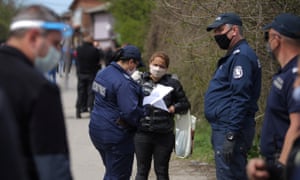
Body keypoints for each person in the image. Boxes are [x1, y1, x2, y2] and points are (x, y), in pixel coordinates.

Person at [0, 5, 73, 180]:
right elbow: (52, 167)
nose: (57, 52)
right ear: (33, 37)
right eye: (55, 44)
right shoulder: (40, 88)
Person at [204, 12, 262, 179]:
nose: (217, 35)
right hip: (225, 126)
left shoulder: (241, 56)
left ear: (234, 30)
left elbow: (241, 97)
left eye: (220, 30)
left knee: (230, 175)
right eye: (215, 32)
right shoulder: (234, 56)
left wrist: (231, 134)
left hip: (231, 127)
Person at [246, 13, 300, 180]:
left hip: (289, 166)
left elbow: (297, 126)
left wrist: (280, 167)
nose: (267, 42)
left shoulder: (295, 75)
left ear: (277, 38)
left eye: (268, 36)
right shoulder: (285, 74)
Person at [89, 45, 144, 179]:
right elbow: (130, 112)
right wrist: (145, 112)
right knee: (119, 175)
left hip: (97, 130)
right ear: (131, 62)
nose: (135, 68)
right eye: (136, 65)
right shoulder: (123, 82)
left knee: (111, 171)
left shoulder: (103, 73)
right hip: (116, 135)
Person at [134, 51, 191, 180]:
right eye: (155, 65)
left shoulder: (173, 83)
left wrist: (174, 108)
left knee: (162, 171)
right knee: (142, 171)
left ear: (166, 68)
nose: (158, 68)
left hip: (164, 134)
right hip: (142, 133)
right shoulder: (139, 82)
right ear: (150, 64)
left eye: (162, 66)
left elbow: (185, 104)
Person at [75, 35, 101, 118]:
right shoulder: (95, 50)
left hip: (81, 73)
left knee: (81, 92)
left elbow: (76, 61)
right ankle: (91, 109)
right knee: (91, 92)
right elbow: (98, 61)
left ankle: (78, 110)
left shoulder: (78, 49)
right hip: (91, 74)